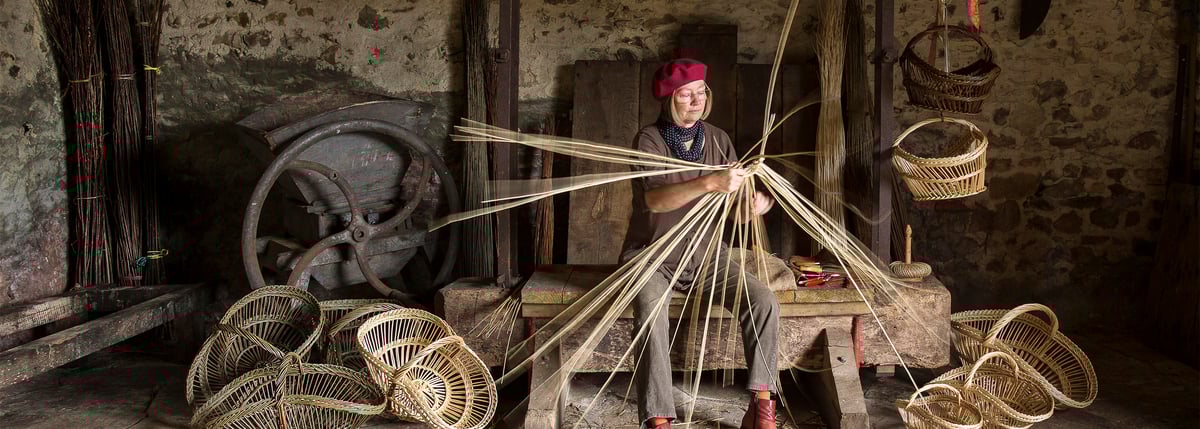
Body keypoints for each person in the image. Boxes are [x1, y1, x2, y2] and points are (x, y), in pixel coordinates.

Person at [620, 58, 781, 429]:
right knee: (650, 314)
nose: (695, 100)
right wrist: (710, 182)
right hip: (653, 257)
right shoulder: (649, 140)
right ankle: (659, 419)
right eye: (685, 94)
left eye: (701, 92)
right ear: (668, 99)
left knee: (764, 301)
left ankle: (762, 407)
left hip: (708, 257)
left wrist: (751, 207)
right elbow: (655, 201)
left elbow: (733, 212)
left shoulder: (719, 140)